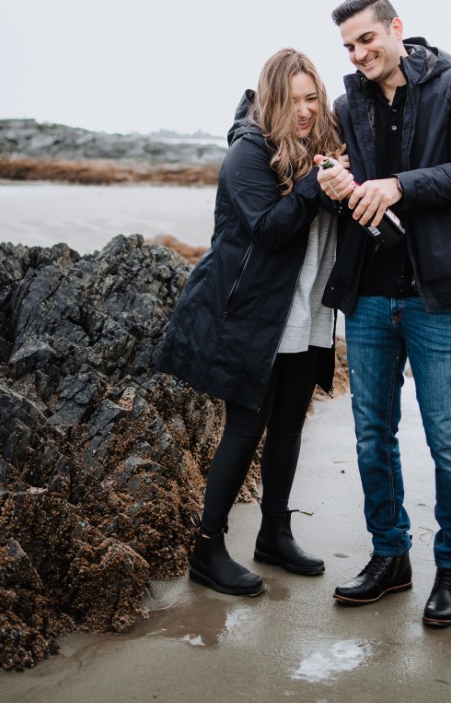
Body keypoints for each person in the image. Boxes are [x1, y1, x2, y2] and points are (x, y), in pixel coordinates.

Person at [315, 0, 451, 628]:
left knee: (448, 439)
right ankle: (391, 557)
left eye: (367, 39)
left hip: (438, 291)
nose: (359, 54)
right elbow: (351, 193)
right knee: (371, 436)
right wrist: (339, 187)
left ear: (397, 29)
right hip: (367, 294)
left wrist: (398, 185)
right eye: (349, 47)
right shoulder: (346, 104)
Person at [156, 48, 344, 597]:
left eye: (314, 98)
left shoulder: (320, 149)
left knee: (289, 425)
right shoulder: (248, 152)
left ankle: (274, 535)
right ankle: (207, 549)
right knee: (245, 429)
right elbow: (270, 229)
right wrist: (313, 186)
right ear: (271, 98)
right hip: (252, 316)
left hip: (305, 310)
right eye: (294, 100)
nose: (305, 111)